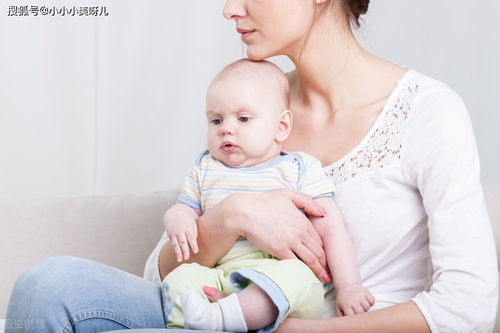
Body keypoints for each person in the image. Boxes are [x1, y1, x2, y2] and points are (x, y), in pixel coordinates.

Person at [6, 0, 498, 332]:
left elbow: (469, 303)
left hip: (320, 324)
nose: (229, 9)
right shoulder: (251, 106)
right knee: (50, 285)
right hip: (216, 312)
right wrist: (233, 215)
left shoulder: (426, 111)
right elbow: (159, 280)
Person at [161, 58, 374, 332]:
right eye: (216, 120)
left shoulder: (298, 168)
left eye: (243, 118)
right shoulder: (205, 168)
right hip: (220, 276)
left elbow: (330, 226)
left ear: (281, 126)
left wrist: (350, 286)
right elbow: (184, 208)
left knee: (297, 276)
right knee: (182, 277)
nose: (226, 128)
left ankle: (225, 316)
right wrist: (176, 219)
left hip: (278, 277)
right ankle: (208, 318)